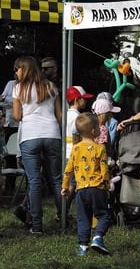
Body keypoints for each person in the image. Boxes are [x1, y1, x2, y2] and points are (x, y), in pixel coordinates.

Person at [12, 56, 63, 235]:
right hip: (52, 134)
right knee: (56, 180)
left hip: (30, 136)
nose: (15, 72)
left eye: (17, 68)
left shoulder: (18, 88)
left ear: (24, 70)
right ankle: (63, 219)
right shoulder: (50, 86)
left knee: (33, 181)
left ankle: (37, 225)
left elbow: (17, 116)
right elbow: (59, 115)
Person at [60, 112, 112, 255]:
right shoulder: (100, 148)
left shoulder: (75, 148)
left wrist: (65, 187)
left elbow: (68, 170)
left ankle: (83, 247)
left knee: (83, 218)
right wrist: (107, 186)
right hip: (97, 188)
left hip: (80, 190)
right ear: (94, 130)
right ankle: (98, 237)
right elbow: (104, 169)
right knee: (104, 215)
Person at [65, 85, 93, 159]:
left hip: (65, 152)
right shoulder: (78, 117)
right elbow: (76, 137)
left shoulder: (65, 115)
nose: (86, 101)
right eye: (84, 99)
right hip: (75, 154)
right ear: (77, 100)